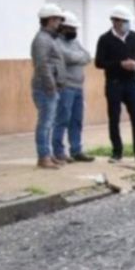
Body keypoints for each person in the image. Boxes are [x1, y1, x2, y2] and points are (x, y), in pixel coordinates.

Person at [94, 5, 135, 163]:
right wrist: (120, 64)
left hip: (131, 82)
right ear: (115, 22)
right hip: (114, 83)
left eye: (128, 21)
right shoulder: (105, 39)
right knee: (114, 118)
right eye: (124, 21)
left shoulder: (134, 36)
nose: (127, 24)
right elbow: (99, 62)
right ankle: (117, 152)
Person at [52, 11, 95, 163]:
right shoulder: (56, 42)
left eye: (75, 29)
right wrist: (78, 57)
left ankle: (76, 150)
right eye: (71, 28)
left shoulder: (75, 42)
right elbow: (67, 57)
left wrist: (77, 57)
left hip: (78, 87)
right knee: (62, 119)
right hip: (65, 86)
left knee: (76, 120)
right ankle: (58, 152)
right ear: (62, 27)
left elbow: (88, 56)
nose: (74, 32)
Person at [30, 3, 65, 170]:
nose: (60, 23)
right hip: (45, 88)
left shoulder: (50, 38)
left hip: (51, 87)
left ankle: (48, 154)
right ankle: (43, 156)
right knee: (45, 123)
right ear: (50, 20)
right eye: (58, 19)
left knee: (49, 123)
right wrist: (51, 86)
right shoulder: (42, 39)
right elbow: (42, 65)